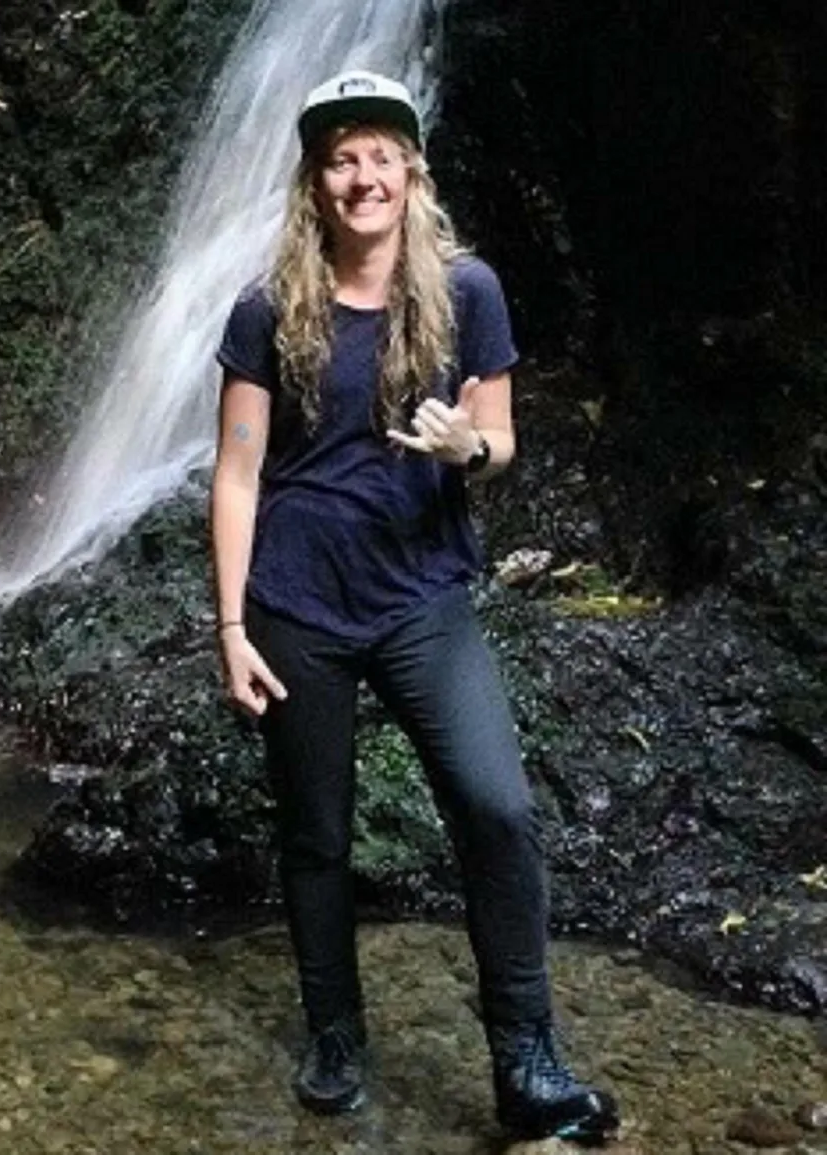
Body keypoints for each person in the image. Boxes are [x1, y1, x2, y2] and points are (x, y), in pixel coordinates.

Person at [209, 70, 619, 1145]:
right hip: (296, 603)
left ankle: (527, 1059)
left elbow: (501, 440)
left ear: (412, 172)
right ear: (317, 181)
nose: (364, 178)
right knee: (317, 833)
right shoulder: (267, 309)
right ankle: (336, 1035)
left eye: (380, 156)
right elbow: (238, 474)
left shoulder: (467, 292)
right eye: (342, 159)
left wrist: (467, 447)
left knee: (498, 807)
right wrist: (232, 628)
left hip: (422, 597)